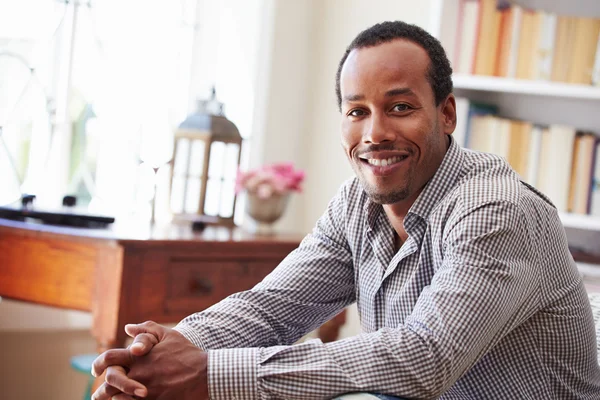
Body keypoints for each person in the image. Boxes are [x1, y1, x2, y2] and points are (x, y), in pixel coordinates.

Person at [91, 21, 600, 400]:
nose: (374, 133)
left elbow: (422, 357)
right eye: (357, 111)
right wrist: (163, 350)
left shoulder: (497, 212)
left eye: (399, 107)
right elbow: (271, 309)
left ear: (446, 114)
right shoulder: (358, 203)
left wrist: (205, 372)